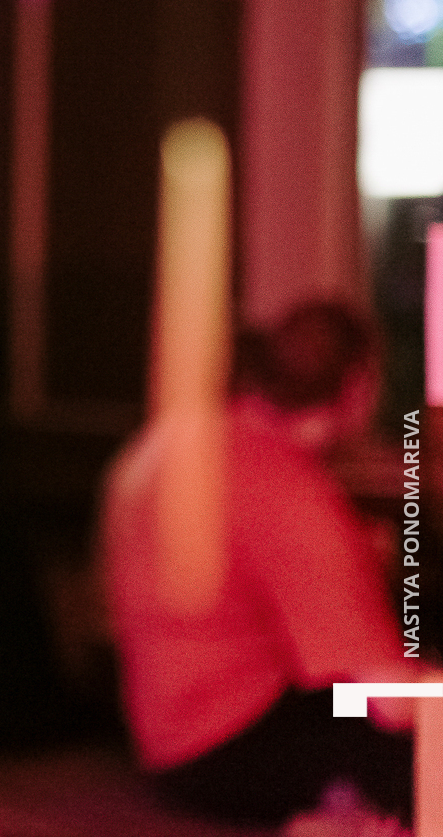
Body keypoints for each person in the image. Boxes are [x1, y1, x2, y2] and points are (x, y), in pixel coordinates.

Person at [102, 299, 420, 825]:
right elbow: (388, 698)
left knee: (345, 701)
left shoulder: (165, 445)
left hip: (159, 730)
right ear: (358, 388)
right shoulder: (288, 488)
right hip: (236, 744)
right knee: (411, 744)